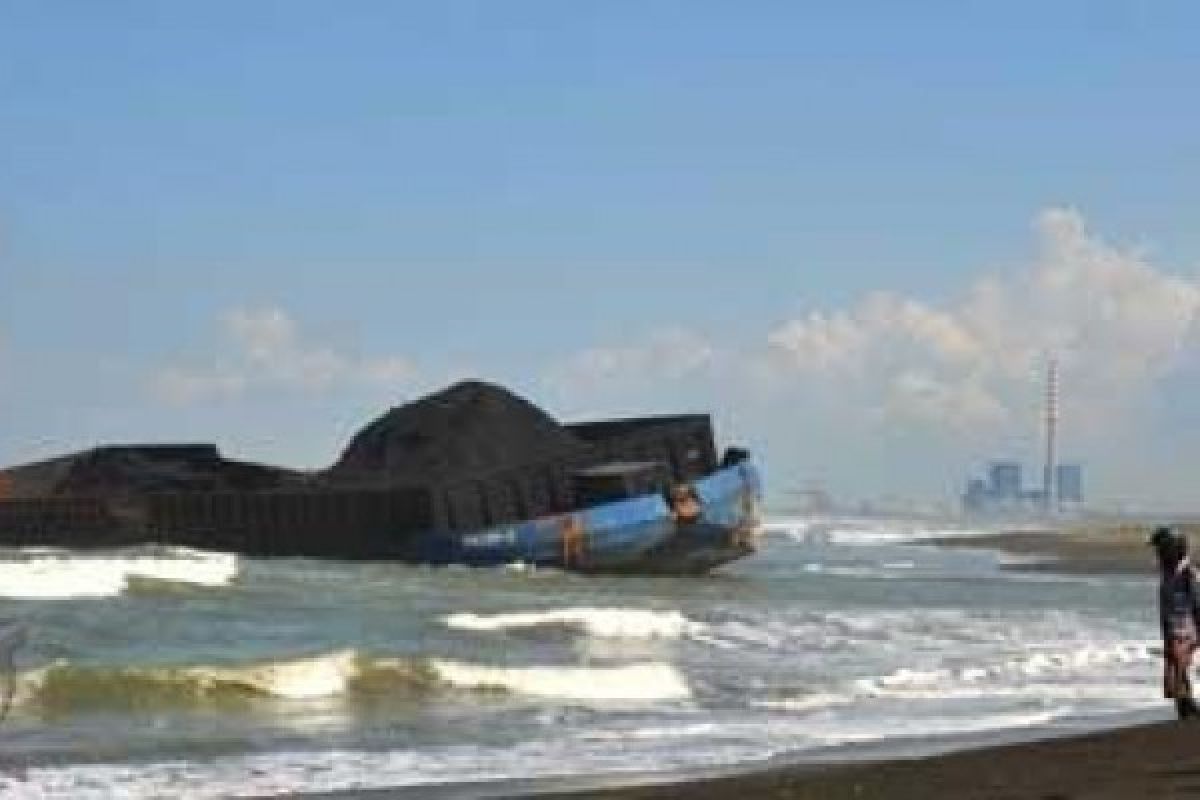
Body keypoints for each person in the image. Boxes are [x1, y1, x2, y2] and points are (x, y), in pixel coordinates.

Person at [1150, 526, 1200, 719]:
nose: (1159, 553)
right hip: (1173, 631)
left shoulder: (1188, 574)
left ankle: (1190, 714)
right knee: (1174, 681)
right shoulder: (1167, 574)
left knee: (1174, 678)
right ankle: (1187, 714)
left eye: (1162, 549)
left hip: (1186, 631)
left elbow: (1197, 604)